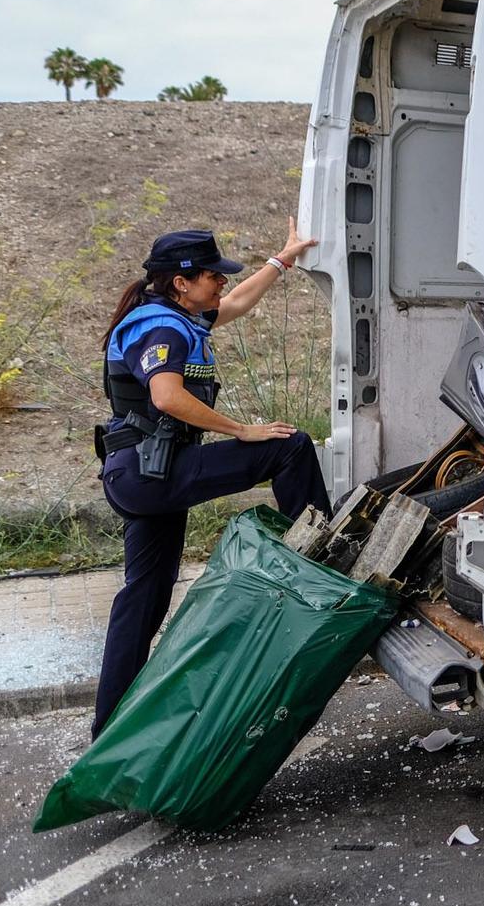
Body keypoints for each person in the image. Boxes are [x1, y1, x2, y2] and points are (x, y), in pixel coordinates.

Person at [91, 224, 332, 738]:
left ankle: (108, 731)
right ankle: (324, 557)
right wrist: (243, 430)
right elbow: (166, 397)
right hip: (150, 473)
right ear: (181, 283)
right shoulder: (163, 329)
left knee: (144, 597)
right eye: (212, 276)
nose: (221, 283)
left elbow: (239, 302)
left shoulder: (180, 317)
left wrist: (282, 260)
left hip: (145, 475)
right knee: (288, 447)